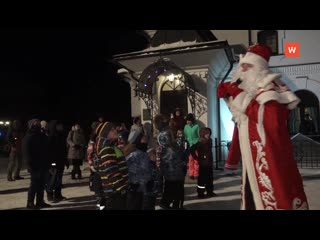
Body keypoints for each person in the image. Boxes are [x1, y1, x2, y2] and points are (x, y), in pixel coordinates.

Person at [217, 43, 309, 210]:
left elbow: (270, 120)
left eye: (247, 66)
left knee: (276, 198)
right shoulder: (248, 91)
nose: (242, 69)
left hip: (270, 158)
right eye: (241, 65)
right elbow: (243, 123)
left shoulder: (270, 87)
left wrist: (238, 95)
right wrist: (228, 98)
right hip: (251, 163)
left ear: (258, 67)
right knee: (252, 199)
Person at [23, 119, 51, 209]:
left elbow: (47, 147)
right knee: (34, 185)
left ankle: (40, 201)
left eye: (39, 123)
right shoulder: (29, 136)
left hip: (43, 164)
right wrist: (29, 165)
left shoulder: (41, 135)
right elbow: (26, 152)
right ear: (31, 125)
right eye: (36, 123)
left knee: (42, 184)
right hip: (34, 165)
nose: (38, 124)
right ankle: (30, 203)